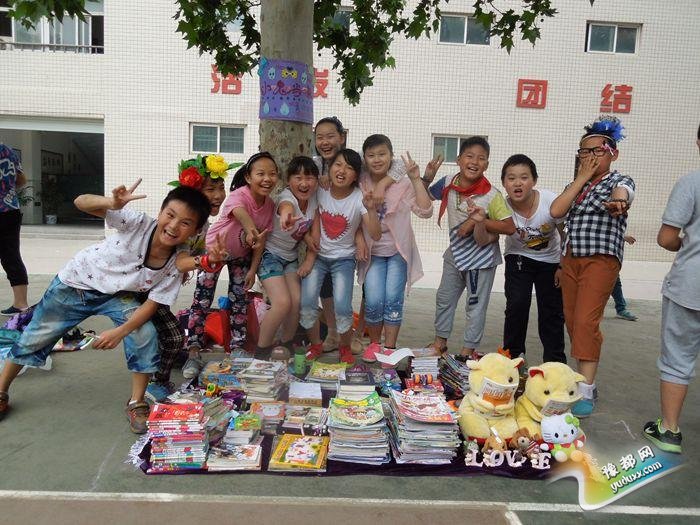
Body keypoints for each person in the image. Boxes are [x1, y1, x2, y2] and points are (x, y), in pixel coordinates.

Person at [0, 182, 211, 432]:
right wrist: (112, 203)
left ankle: (136, 402)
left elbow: (152, 304)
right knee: (34, 336)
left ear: (196, 230)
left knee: (144, 333)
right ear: (161, 211)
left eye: (185, 223)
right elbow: (80, 201)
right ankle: (1, 391)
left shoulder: (176, 262)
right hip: (73, 285)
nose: (174, 226)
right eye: (170, 215)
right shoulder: (137, 223)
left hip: (115, 296)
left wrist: (120, 332)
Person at [550, 116, 635, 417]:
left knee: (586, 322)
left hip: (601, 259)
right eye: (584, 152)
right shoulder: (575, 186)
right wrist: (581, 178)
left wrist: (619, 202)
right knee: (574, 322)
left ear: (613, 153)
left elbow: (623, 195)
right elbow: (556, 211)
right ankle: (585, 378)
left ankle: (586, 389)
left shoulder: (619, 181)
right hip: (571, 259)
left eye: (597, 151)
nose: (590, 157)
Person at [145, 155, 231, 402]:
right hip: (146, 285)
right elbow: (182, 258)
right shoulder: (185, 224)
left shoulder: (203, 226)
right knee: (156, 333)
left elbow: (191, 256)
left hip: (161, 287)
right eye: (210, 189)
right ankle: (153, 383)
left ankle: (163, 366)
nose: (218, 195)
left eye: (221, 188)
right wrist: (200, 262)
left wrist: (209, 258)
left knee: (165, 332)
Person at [424, 137, 515, 359]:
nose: (474, 162)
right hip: (455, 254)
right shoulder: (448, 182)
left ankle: (467, 352)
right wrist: (426, 178)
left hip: (481, 260)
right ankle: (439, 344)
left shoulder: (491, 194)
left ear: (487, 165)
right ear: (459, 159)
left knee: (475, 306)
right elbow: (424, 199)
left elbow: (509, 226)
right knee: (444, 298)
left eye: (481, 158)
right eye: (469, 156)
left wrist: (477, 221)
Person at [186, 152, 278, 360]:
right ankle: (193, 348)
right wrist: (251, 231)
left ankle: (237, 347)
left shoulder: (270, 206)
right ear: (248, 177)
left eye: (272, 174)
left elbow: (261, 240)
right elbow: (240, 213)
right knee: (202, 300)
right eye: (261, 174)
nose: (267, 179)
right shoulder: (239, 195)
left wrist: (253, 269)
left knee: (240, 300)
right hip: (214, 252)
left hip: (241, 256)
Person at [643, 125, 700, 454]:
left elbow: (666, 238)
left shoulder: (691, 183)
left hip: (690, 286)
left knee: (678, 358)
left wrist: (686, 244)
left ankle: (669, 429)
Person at [356, 135, 433, 362]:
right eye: (371, 155)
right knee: (373, 299)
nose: (377, 159)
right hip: (373, 253)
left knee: (392, 298)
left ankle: (389, 348)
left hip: (398, 253)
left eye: (382, 154)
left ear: (391, 156)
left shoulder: (403, 183)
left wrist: (416, 180)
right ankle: (374, 344)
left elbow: (425, 211)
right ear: (365, 158)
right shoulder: (361, 181)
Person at [300, 149, 381, 365]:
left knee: (343, 307)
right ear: (330, 168)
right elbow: (309, 217)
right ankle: (316, 344)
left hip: (344, 260)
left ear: (356, 176)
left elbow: (375, 234)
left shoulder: (359, 198)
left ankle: (344, 346)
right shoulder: (320, 190)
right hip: (318, 257)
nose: (342, 171)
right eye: (338, 165)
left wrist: (371, 210)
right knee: (307, 302)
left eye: (349, 167)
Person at [498, 154, 566, 364]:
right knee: (517, 305)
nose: (517, 183)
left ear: (534, 181)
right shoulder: (501, 206)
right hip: (518, 258)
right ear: (504, 183)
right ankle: (512, 358)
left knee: (551, 311)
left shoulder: (549, 200)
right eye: (511, 178)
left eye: (524, 177)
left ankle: (555, 362)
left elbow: (565, 234)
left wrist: (563, 266)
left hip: (551, 261)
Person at [255, 156, 319, 359]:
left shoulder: (315, 200)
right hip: (270, 256)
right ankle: (262, 349)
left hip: (290, 258)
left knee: (297, 301)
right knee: (282, 303)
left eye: (309, 178)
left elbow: (309, 229)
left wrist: (308, 248)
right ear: (288, 181)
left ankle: (286, 343)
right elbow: (286, 207)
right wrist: (285, 217)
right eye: (298, 178)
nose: (304, 183)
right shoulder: (287, 197)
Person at [0, 143, 30, 316]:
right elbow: (21, 180)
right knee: (11, 256)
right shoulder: (7, 150)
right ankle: (21, 304)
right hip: (10, 210)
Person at [610, 236, 638, 321]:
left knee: (615, 282)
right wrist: (623, 237)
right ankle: (621, 309)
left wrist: (622, 237)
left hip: (610, 256)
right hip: (597, 256)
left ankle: (621, 309)